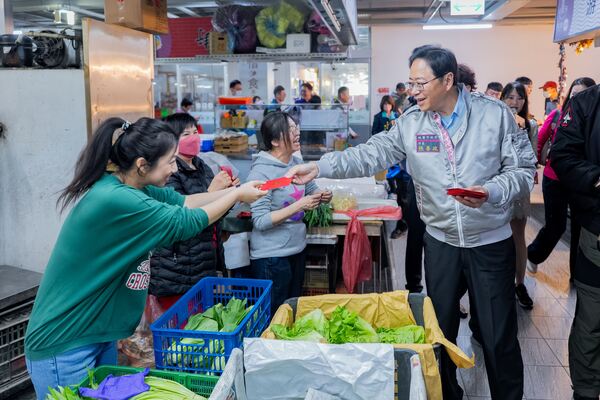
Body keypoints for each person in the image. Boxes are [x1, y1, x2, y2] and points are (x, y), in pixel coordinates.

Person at [287, 45, 535, 400]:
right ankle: (447, 394)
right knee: (438, 331)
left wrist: (492, 191)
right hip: (441, 242)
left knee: (498, 336)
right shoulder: (412, 122)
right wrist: (320, 166)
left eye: (421, 83)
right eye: (411, 82)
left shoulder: (494, 115)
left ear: (447, 80)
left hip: (489, 241)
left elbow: (524, 171)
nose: (413, 91)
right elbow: (371, 153)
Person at [23, 117, 266, 398]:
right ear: (142, 164)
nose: (174, 168)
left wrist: (237, 192)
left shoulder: (134, 189)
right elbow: (184, 222)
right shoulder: (117, 199)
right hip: (66, 340)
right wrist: (236, 195)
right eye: (170, 161)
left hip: (97, 333)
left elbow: (186, 202)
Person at [149, 113, 241, 310]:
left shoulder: (202, 166)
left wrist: (231, 195)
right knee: (181, 321)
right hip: (177, 267)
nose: (193, 138)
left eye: (194, 132)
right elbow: (182, 217)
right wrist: (214, 192)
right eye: (186, 134)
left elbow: (214, 213)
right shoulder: (168, 173)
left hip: (205, 260)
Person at [247, 111, 332, 312]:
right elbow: (260, 220)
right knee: (275, 315)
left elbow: (310, 188)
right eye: (291, 129)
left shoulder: (295, 163)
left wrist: (322, 195)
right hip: (272, 257)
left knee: (292, 310)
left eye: (296, 127)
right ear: (275, 141)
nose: (297, 133)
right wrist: (299, 205)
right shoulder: (261, 172)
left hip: (297, 248)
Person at [551, 83, 600, 400]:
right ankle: (586, 389)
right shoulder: (586, 104)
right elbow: (562, 155)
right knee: (592, 319)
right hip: (596, 229)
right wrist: (597, 179)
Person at [527, 78, 596, 278]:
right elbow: (540, 139)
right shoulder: (558, 115)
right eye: (574, 94)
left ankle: (577, 275)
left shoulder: (593, 121)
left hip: (581, 182)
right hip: (555, 180)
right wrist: (532, 166)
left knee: (580, 230)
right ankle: (533, 255)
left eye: (582, 94)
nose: (577, 98)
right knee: (556, 226)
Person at [500, 81, 538, 309]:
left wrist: (521, 131)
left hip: (518, 190)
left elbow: (530, 159)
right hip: (496, 188)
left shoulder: (530, 125)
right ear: (503, 99)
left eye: (520, 98)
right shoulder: (494, 123)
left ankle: (520, 283)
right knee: (497, 238)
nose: (515, 102)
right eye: (510, 97)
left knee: (518, 237)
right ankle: (500, 284)